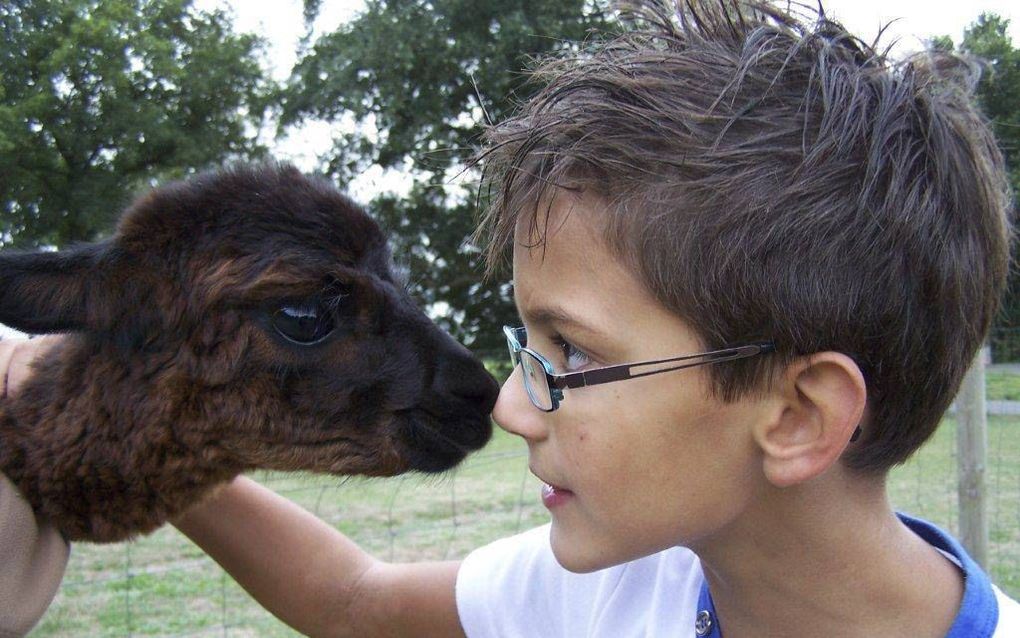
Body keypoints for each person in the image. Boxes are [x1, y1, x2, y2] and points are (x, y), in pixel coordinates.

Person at [4, 0, 1019, 635]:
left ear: (798, 413)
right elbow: (352, 600)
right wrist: (145, 416)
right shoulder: (623, 587)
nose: (511, 405)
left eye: (570, 350)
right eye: (525, 341)